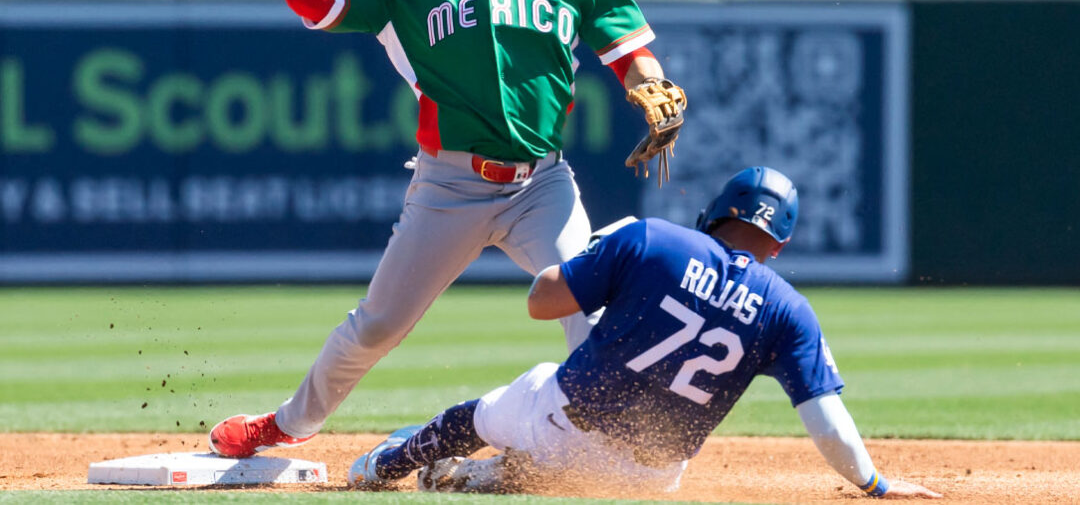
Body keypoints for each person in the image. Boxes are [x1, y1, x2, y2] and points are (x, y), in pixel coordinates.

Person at [207, 0, 681, 458]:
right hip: (449, 186)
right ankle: (288, 424)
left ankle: (618, 435)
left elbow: (633, 58)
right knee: (377, 324)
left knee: (589, 308)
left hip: (543, 186)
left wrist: (648, 85)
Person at [348, 167, 943, 500]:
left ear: (713, 213)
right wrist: (875, 485)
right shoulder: (790, 310)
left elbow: (541, 302)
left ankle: (383, 468)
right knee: (546, 463)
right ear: (780, 244)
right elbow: (827, 421)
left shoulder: (654, 238)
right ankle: (493, 479)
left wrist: (599, 260)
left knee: (478, 415)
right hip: (652, 477)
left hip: (561, 424)